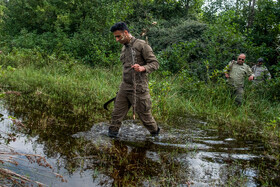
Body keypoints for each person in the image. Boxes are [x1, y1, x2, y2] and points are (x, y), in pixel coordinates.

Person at [108, 22, 160, 138]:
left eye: (118, 36)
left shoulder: (142, 45)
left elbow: (155, 64)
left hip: (139, 88)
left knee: (146, 118)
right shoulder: (124, 47)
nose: (116, 40)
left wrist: (143, 68)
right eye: (115, 37)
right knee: (116, 116)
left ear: (125, 33)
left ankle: (156, 137)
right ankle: (112, 140)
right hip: (124, 87)